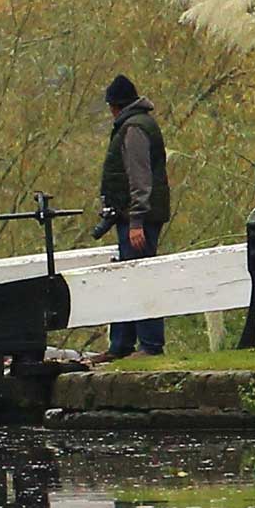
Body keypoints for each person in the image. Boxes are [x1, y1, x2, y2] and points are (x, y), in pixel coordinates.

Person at [98, 73, 170, 362]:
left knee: (140, 277)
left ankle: (150, 345)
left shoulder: (134, 130)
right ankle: (121, 344)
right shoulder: (137, 125)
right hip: (131, 216)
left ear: (115, 106)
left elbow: (140, 178)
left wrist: (137, 220)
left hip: (137, 218)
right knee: (127, 277)